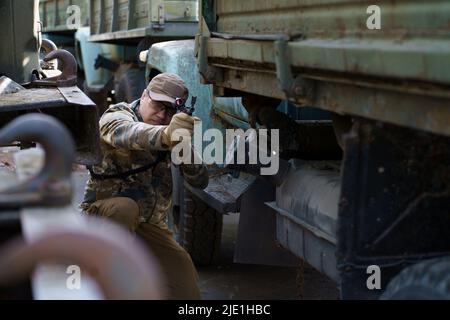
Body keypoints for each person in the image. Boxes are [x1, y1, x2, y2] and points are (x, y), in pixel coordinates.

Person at [80, 73, 208, 299]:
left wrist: (183, 145)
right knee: (125, 208)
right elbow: (127, 133)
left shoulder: (170, 130)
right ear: (144, 95)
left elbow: (200, 180)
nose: (162, 114)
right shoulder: (117, 115)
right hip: (103, 219)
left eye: (170, 110)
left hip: (148, 227)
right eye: (158, 105)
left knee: (186, 288)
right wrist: (167, 135)